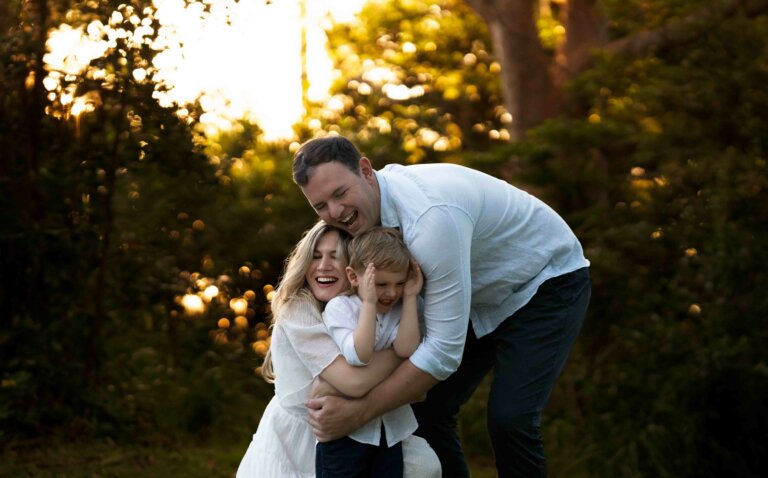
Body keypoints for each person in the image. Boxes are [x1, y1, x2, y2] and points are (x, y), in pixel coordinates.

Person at [293, 136, 592, 477]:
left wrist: (359, 411)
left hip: (544, 282)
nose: (334, 212)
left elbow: (443, 352)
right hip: (478, 297)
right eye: (320, 206)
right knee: (427, 410)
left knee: (510, 418)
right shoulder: (364, 222)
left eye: (339, 193)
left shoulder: (429, 219)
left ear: (365, 170)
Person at [236, 221, 441, 478]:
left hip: (358, 428)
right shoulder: (298, 309)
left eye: (334, 257)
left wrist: (336, 385)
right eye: (315, 256)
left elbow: (416, 392)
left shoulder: (372, 309)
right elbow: (354, 383)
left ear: (354, 270)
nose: (323, 266)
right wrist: (403, 358)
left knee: (424, 465)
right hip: (299, 438)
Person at [317, 227, 423, 477]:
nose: (391, 293)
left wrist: (409, 298)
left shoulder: (403, 307)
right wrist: (369, 303)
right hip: (345, 434)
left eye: (399, 283)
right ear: (354, 277)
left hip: (389, 430)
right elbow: (359, 355)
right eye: (381, 284)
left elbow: (406, 349)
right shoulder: (341, 308)